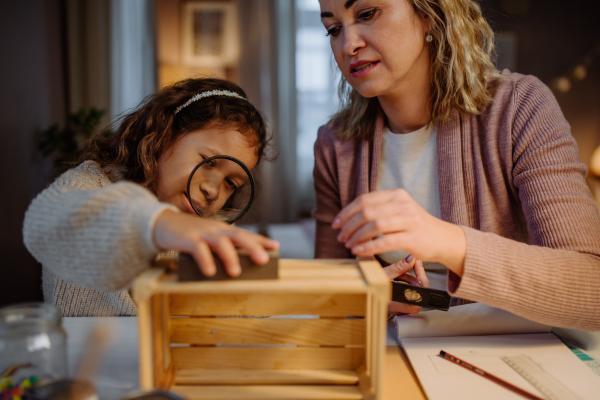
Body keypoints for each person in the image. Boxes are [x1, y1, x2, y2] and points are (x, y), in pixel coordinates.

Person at [313, 0, 600, 330]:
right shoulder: (335, 144)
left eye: (367, 14)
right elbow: (330, 301)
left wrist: (448, 241)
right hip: (397, 353)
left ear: (427, 16)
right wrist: (364, 304)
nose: (349, 45)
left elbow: (592, 288)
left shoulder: (520, 108)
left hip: (508, 351)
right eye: (333, 29)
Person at [23, 78, 279, 317]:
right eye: (208, 162)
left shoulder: (203, 229)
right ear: (164, 135)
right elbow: (45, 221)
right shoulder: (89, 183)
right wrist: (157, 222)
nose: (213, 190)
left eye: (230, 183)